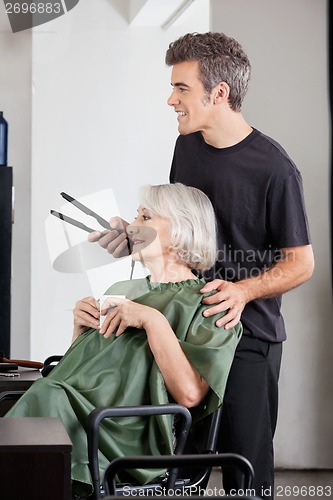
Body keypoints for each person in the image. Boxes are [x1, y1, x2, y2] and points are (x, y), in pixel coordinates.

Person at [88, 33, 314, 499]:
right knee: (175, 465)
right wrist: (135, 236)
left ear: (219, 93)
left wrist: (243, 291)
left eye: (181, 88)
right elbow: (181, 237)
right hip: (187, 327)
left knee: (245, 475)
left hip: (248, 335)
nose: (170, 99)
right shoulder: (186, 148)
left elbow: (301, 264)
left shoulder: (275, 169)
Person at [6, 183, 242, 498]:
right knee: (38, 401)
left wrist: (151, 320)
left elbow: (189, 395)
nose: (131, 226)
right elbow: (81, 372)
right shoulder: (122, 289)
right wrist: (80, 327)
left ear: (180, 231)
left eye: (145, 216)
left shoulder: (210, 303)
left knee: (43, 404)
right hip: (73, 407)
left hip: (126, 433)